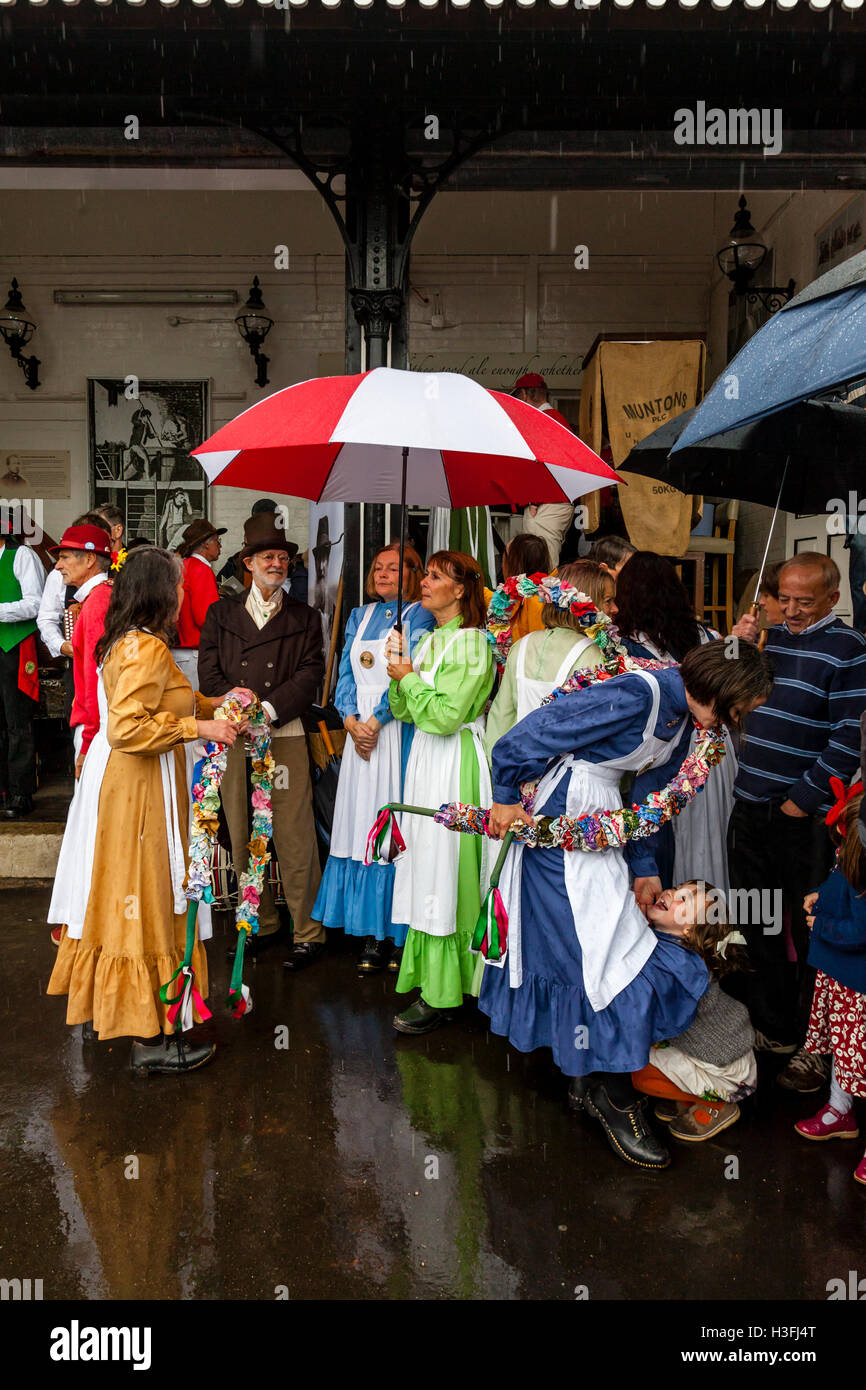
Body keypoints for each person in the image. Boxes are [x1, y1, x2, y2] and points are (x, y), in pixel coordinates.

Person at [481, 639, 773, 1170]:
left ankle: (589, 1078)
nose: (734, 724)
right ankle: (612, 1094)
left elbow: (650, 795)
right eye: (737, 711)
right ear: (719, 692)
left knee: (605, 952)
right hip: (559, 826)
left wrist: (644, 867)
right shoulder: (638, 695)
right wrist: (504, 794)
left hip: (601, 824)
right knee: (599, 957)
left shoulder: (690, 719)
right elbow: (532, 733)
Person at [47, 546, 245, 1073]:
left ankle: (144, 1020)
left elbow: (164, 704)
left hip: (137, 784)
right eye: (178, 585)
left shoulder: (133, 641)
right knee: (148, 897)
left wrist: (217, 705)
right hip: (141, 789)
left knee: (136, 896)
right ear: (160, 591)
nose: (183, 593)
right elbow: (129, 728)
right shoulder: (146, 648)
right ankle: (149, 1039)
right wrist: (197, 728)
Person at [728, 551, 866, 1092]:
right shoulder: (768, 636)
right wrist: (737, 644)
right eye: (782, 598)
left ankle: (818, 1048)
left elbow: (846, 740)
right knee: (758, 918)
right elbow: (729, 694)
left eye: (803, 602)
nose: (790, 610)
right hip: (748, 803)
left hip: (800, 817)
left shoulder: (849, 650)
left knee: (812, 931)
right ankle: (775, 1026)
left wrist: (799, 801)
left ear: (833, 599)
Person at [198, 510, 326, 971]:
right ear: (247, 563)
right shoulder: (220, 613)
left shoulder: (304, 616)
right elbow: (209, 670)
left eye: (281, 556)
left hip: (283, 735)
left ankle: (308, 931)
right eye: (266, 556)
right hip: (233, 736)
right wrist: (233, 706)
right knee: (243, 830)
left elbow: (311, 673)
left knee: (293, 836)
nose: (276, 563)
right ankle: (260, 922)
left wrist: (268, 711)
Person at [386, 550, 496, 1034]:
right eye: (426, 574)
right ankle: (434, 978)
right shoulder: (428, 640)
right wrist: (398, 666)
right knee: (427, 862)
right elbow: (408, 712)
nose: (424, 581)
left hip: (456, 763)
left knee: (448, 866)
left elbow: (448, 715)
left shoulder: (473, 644)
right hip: (427, 759)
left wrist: (409, 678)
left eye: (435, 576)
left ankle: (449, 990)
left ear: (461, 590)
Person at [313, 543, 435, 972]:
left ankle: (397, 933)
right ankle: (369, 932)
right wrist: (349, 719)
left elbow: (412, 672)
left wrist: (378, 720)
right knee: (362, 823)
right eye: (377, 567)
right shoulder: (357, 616)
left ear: (415, 574)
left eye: (395, 568)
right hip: (359, 734)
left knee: (395, 827)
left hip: (396, 732)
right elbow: (346, 673)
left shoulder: (422, 615)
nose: (383, 574)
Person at [615, 550, 736, 892]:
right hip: (712, 752)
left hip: (666, 753)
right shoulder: (708, 637)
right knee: (707, 840)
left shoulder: (625, 648)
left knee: (665, 839)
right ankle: (705, 920)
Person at [632, 881, 756, 1142]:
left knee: (638, 1068)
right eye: (676, 889)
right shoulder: (674, 947)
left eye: (684, 900)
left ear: (689, 931)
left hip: (727, 1070)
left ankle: (719, 1104)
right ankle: (685, 1093)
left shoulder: (681, 965)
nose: (669, 893)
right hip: (723, 1054)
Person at [795, 785, 866, 1187]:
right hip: (841, 980)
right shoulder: (852, 859)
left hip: (860, 987)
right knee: (844, 1047)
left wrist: (821, 925)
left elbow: (861, 929)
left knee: (863, 1059)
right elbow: (841, 885)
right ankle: (840, 1111)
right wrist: (821, 897)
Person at [484, 560, 615, 758]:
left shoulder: (521, 646)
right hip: (566, 777)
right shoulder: (595, 656)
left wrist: (498, 771)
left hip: (518, 768)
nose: (615, 608)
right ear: (587, 603)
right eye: (608, 600)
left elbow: (500, 718)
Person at [49, 524, 114, 772]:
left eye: (64, 557)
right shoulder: (101, 596)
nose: (57, 566)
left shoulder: (97, 602)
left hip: (96, 730)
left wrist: (87, 743)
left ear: (89, 559)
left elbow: (95, 679)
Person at [0, 513, 45, 819]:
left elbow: (36, 602)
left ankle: (20, 793)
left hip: (12, 647)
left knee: (17, 723)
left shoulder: (22, 556)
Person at [513, 373, 576, 568]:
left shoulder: (544, 419)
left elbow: (550, 462)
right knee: (541, 563)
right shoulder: (554, 418)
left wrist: (534, 500)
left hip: (546, 503)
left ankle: (545, 600)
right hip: (552, 501)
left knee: (543, 565)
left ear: (524, 394)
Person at [172, 518, 226, 687]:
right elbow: (205, 618)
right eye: (217, 541)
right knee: (197, 707)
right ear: (205, 544)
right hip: (195, 653)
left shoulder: (183, 565)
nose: (220, 546)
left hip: (180, 650)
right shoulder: (201, 569)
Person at [483, 531, 551, 642]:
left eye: (504, 554)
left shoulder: (536, 601)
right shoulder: (514, 596)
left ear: (514, 563)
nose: (502, 560)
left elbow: (538, 646)